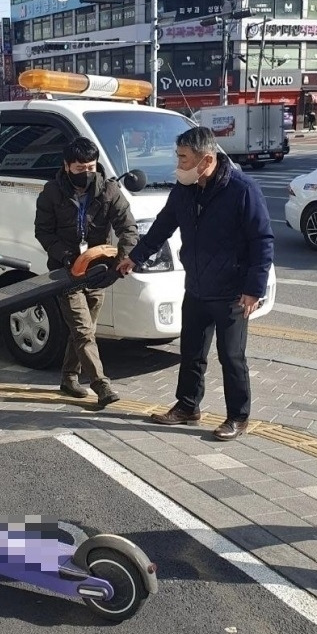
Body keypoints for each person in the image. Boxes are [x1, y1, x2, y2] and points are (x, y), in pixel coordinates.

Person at [118, 127, 274, 441]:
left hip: (231, 292)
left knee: (231, 356)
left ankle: (237, 417)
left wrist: (253, 290)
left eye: (183, 158)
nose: (178, 164)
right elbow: (162, 226)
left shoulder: (242, 190)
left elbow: (262, 241)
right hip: (197, 287)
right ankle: (187, 406)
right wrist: (134, 257)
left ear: (205, 160)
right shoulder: (185, 189)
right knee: (191, 352)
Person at [35, 137, 139, 407]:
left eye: (90, 167)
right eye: (79, 168)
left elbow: (128, 228)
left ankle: (69, 377)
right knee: (83, 331)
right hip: (65, 272)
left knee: (84, 329)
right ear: (67, 166)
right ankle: (101, 385)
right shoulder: (51, 193)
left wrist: (123, 257)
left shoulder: (109, 191)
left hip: (98, 271)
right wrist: (66, 256)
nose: (86, 173)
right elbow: (43, 232)